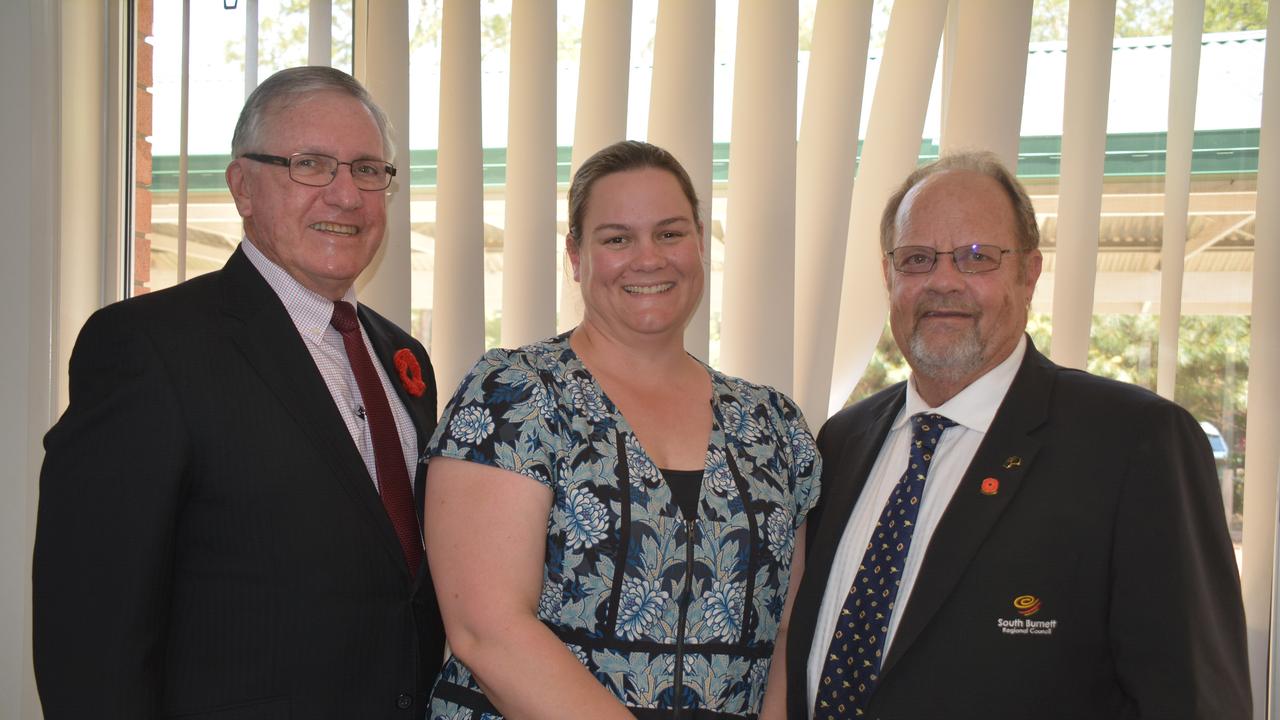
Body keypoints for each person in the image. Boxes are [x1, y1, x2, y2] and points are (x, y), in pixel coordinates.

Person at [33, 66, 445, 719]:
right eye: (311, 164)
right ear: (242, 187)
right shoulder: (149, 347)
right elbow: (90, 629)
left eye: (368, 169)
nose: (346, 195)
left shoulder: (402, 357)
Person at [785, 151, 1250, 719]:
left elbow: (1195, 701)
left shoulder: (1135, 444)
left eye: (977, 257)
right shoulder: (842, 441)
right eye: (917, 258)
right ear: (889, 277)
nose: (944, 281)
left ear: (1028, 274)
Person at [423, 140, 820, 719]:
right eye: (616, 238)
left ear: (700, 244)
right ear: (576, 257)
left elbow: (789, 630)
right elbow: (488, 630)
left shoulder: (774, 423)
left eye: (670, 233)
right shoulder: (516, 394)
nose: (649, 258)